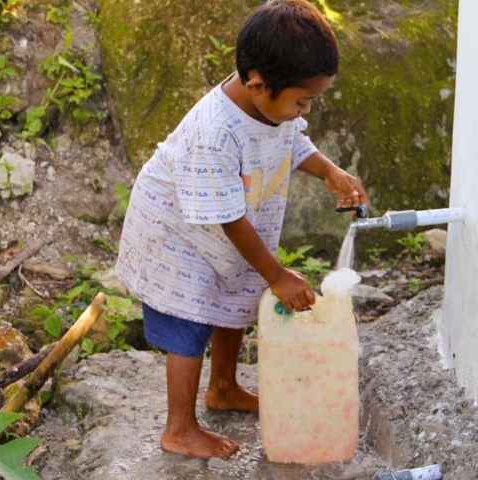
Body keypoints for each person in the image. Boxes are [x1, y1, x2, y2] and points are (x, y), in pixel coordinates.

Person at [115, 0, 368, 460]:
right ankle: (179, 427)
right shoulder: (215, 132)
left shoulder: (272, 110)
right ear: (257, 83)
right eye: (301, 100)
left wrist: (329, 171)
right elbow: (227, 217)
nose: (304, 110)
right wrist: (278, 275)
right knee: (189, 324)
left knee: (234, 301)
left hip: (225, 231)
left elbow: (293, 142)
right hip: (179, 234)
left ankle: (225, 388)